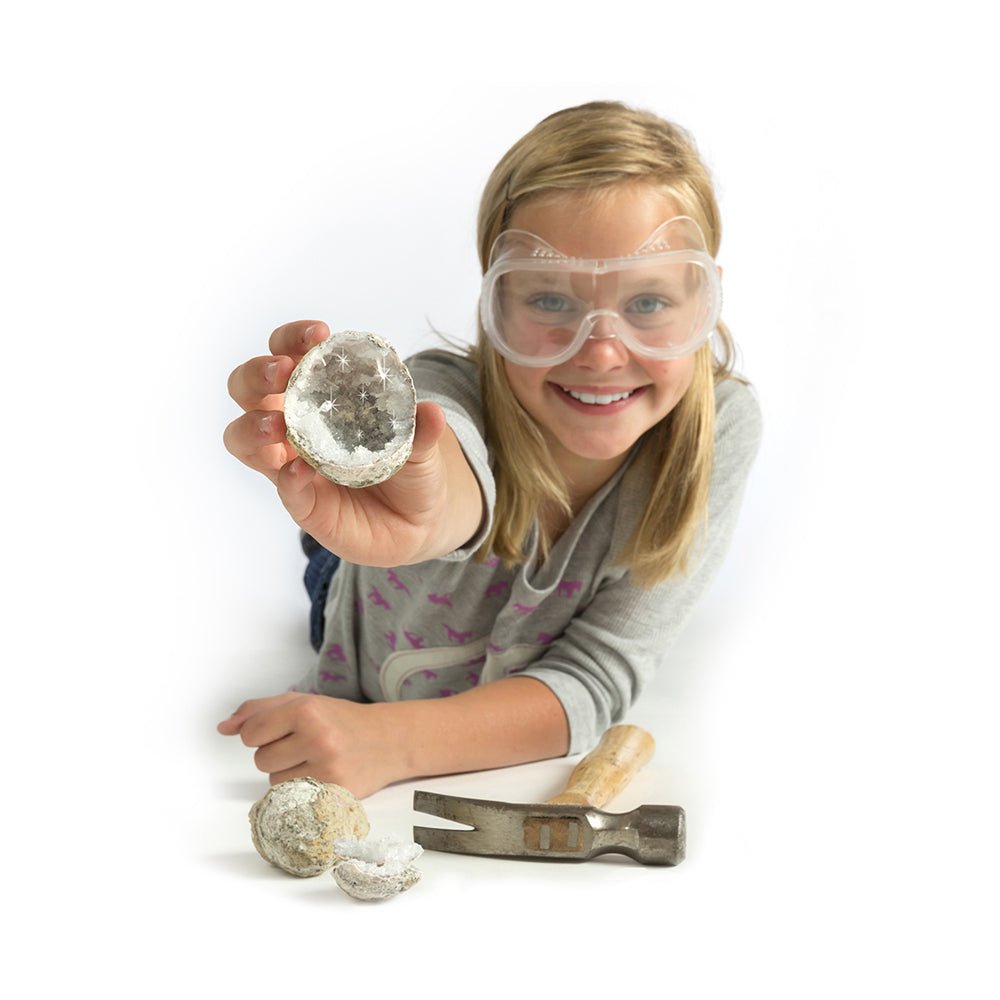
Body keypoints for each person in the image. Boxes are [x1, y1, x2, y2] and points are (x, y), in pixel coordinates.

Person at [218, 101, 762, 798]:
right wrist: (417, 497)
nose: (601, 353)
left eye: (649, 304)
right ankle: (336, 544)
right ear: (495, 304)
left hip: (505, 618)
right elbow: (448, 471)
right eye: (551, 302)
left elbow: (594, 677)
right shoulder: (446, 397)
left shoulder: (721, 427)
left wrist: (388, 743)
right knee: (345, 544)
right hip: (371, 587)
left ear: (705, 303)